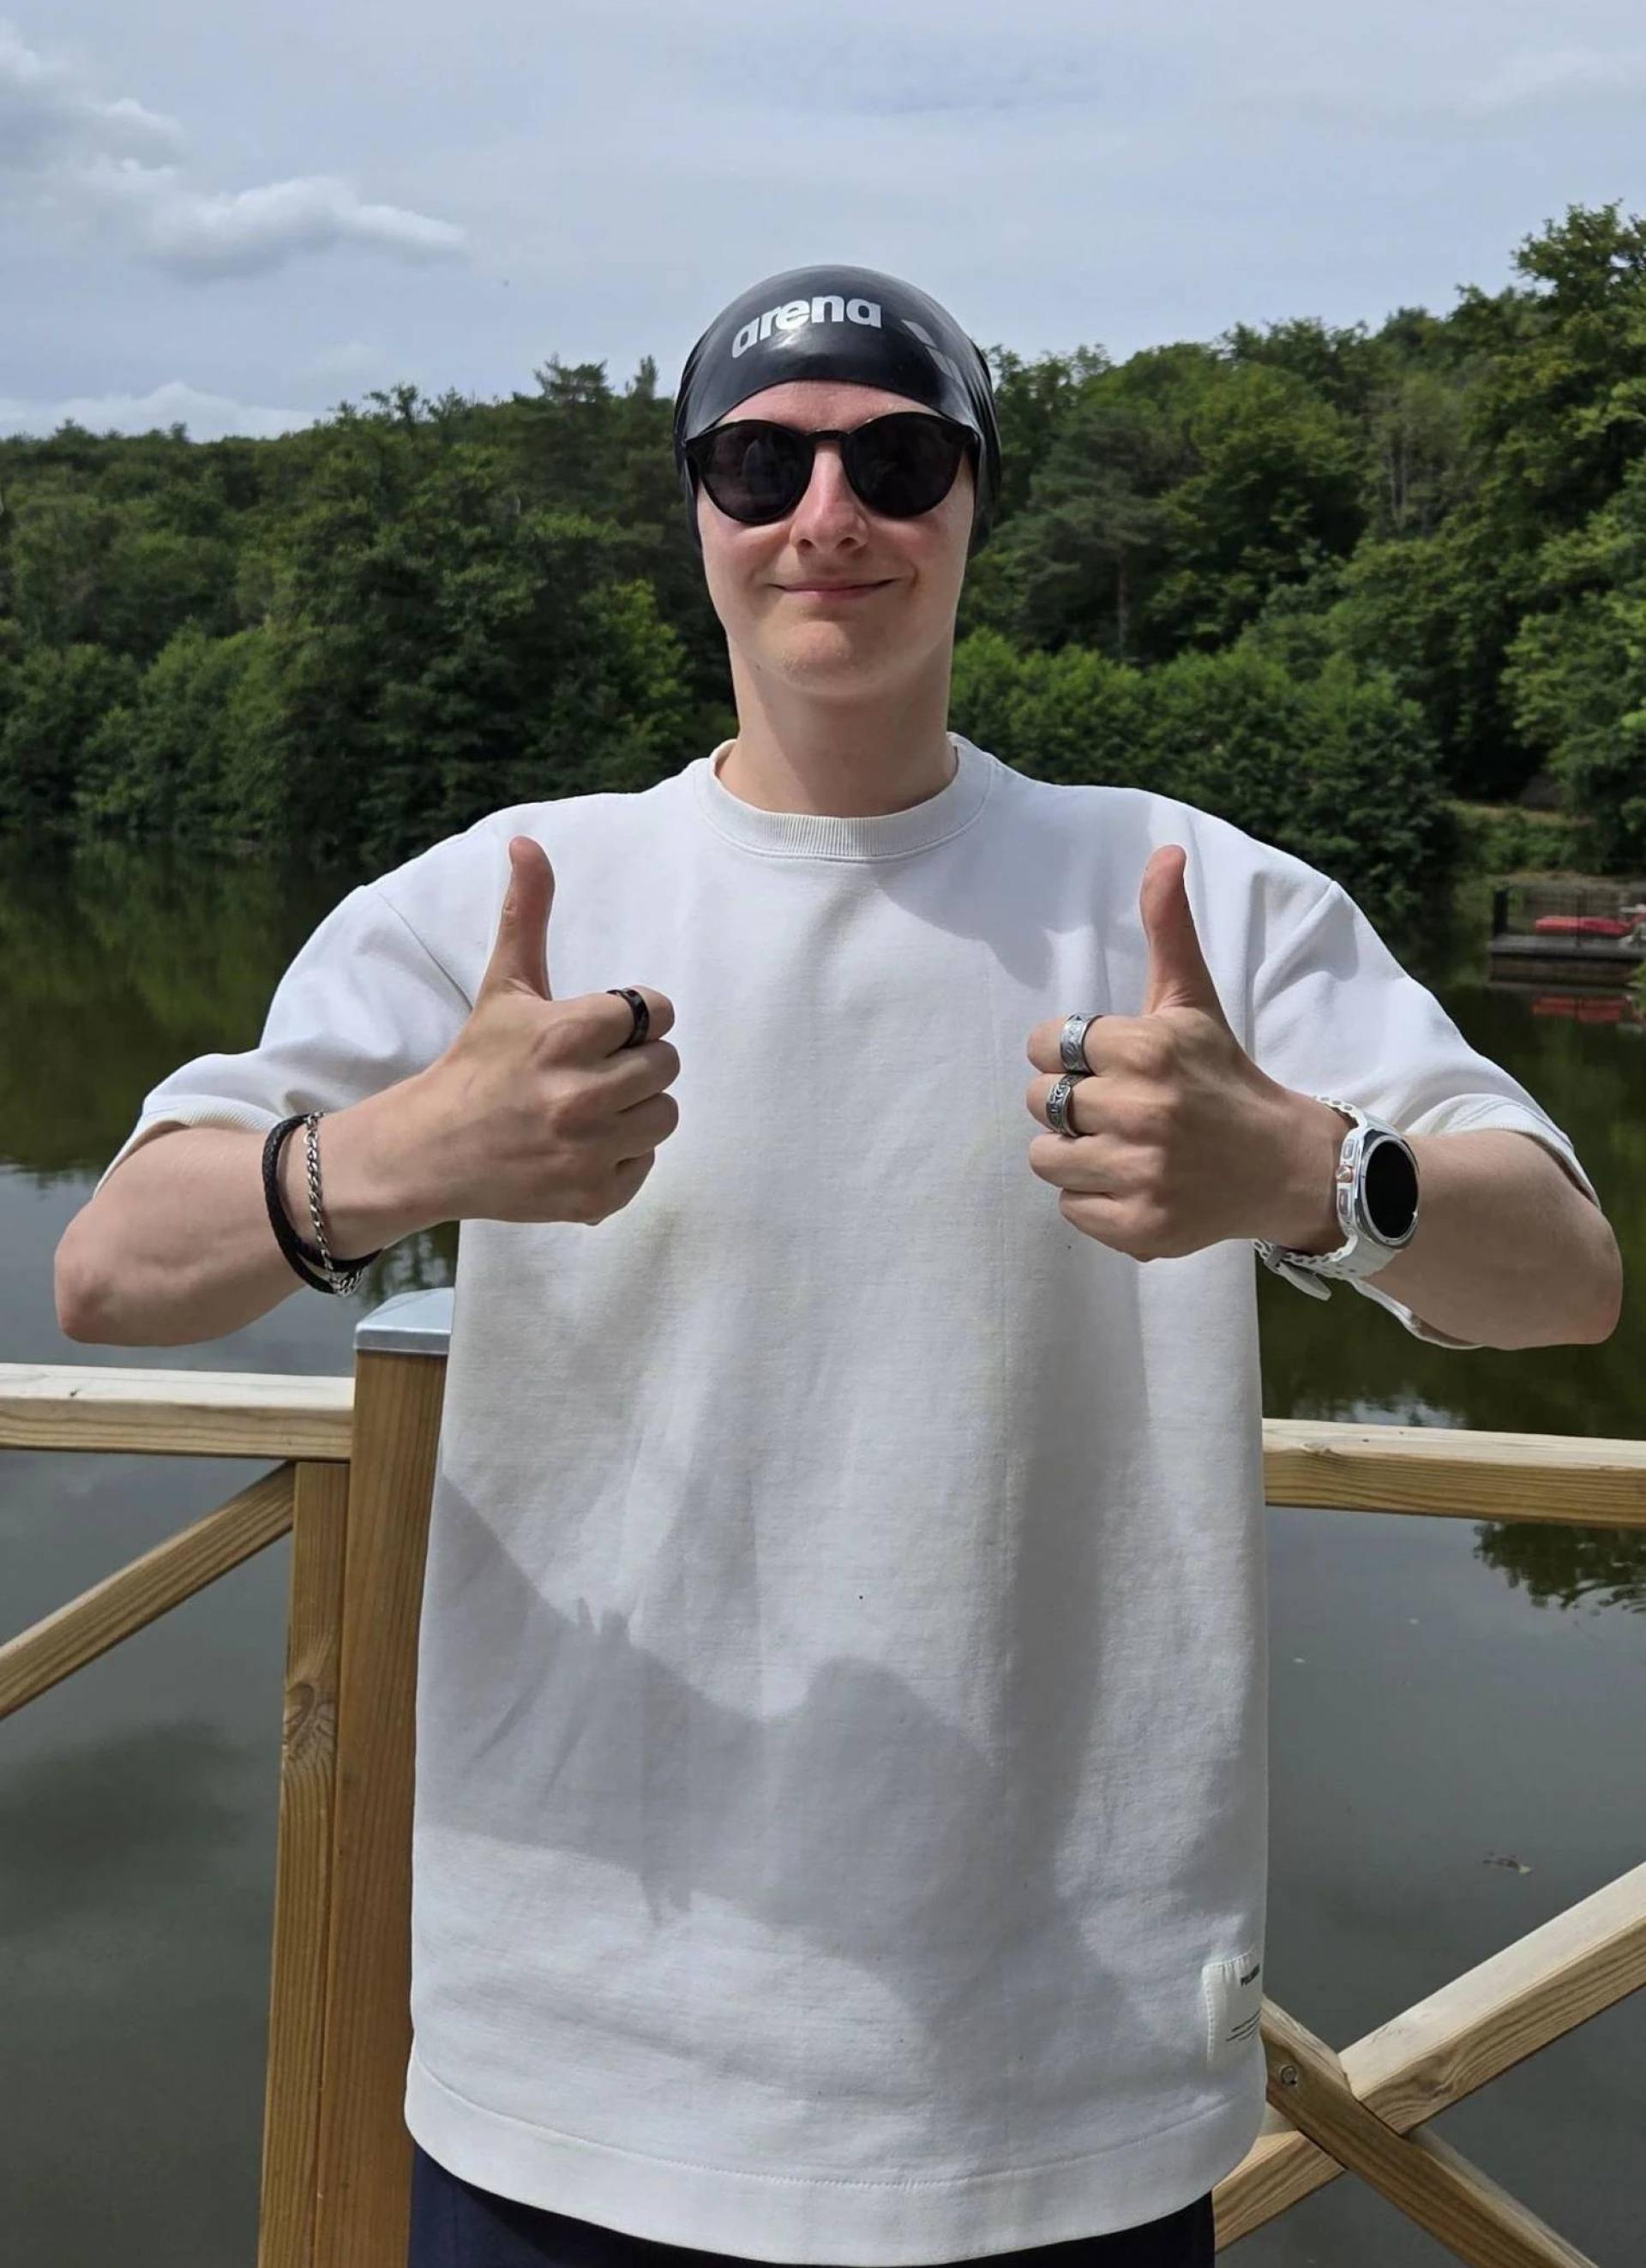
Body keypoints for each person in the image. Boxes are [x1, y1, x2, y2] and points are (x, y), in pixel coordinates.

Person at [55, 264, 1621, 2268]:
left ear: (975, 503)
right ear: (694, 512)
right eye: (760, 462)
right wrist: (400, 1156)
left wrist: (1313, 1174)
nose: (828, 514)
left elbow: (1567, 1276)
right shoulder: (511, 896)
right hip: (574, 2075)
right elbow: (115, 1270)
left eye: (897, 459)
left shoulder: (1195, 894)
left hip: (1060, 2092)